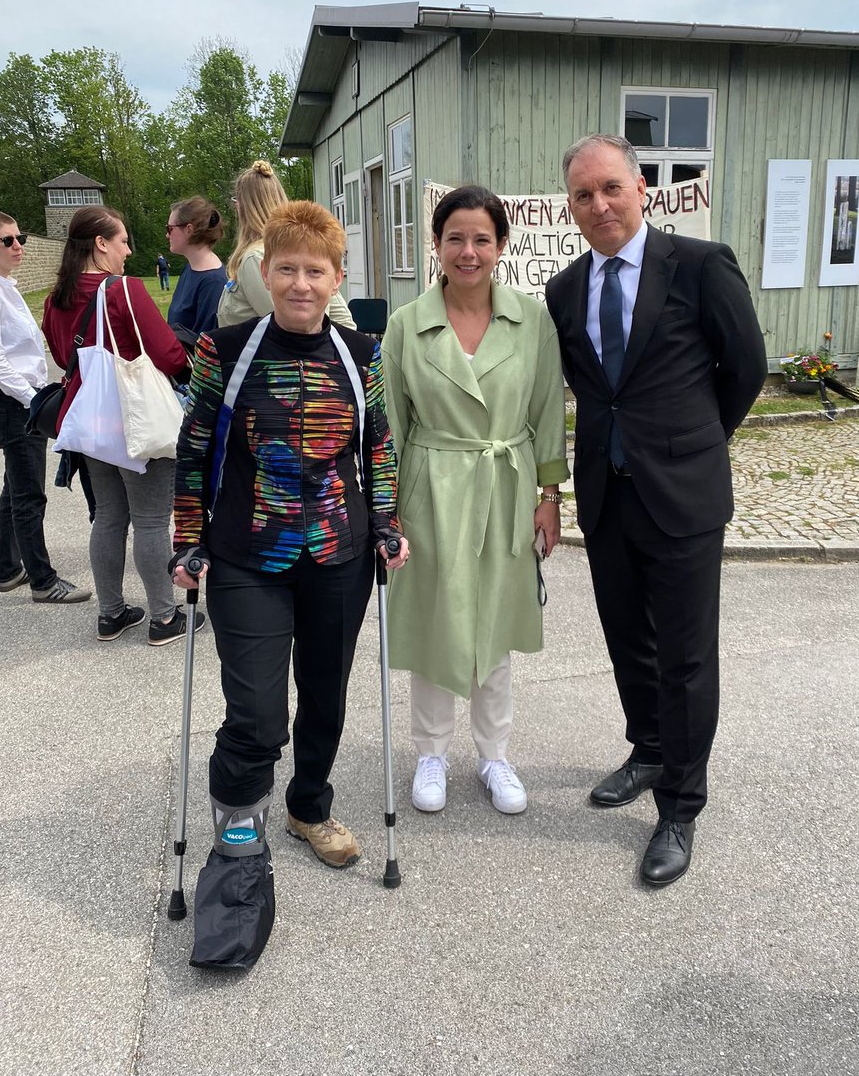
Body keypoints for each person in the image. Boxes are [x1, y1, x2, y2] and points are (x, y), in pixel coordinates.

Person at [171, 200, 407, 966]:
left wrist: (386, 525)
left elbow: (378, 445)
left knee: (327, 697)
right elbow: (195, 443)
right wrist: (186, 540)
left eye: (316, 270)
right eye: (287, 269)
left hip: (339, 555)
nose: (301, 283)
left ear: (337, 277)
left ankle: (308, 806)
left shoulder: (359, 350)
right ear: (264, 272)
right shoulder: (228, 347)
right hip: (246, 555)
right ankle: (239, 841)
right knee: (257, 710)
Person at [545, 134, 766, 886]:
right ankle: (647, 749)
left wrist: (694, 442)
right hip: (608, 495)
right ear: (570, 206)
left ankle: (680, 804)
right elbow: (588, 384)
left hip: (683, 496)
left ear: (641, 188)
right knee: (627, 642)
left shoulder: (701, 265)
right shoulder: (566, 288)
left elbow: (745, 367)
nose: (599, 204)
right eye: (583, 194)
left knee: (685, 655)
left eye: (610, 187)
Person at [382, 185, 568, 817]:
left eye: (481, 239)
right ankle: (431, 751)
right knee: (437, 619)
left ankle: (494, 753)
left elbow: (546, 408)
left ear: (501, 246)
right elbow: (393, 422)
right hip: (431, 486)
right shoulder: (407, 324)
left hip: (506, 483)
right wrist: (390, 504)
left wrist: (550, 493)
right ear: (435, 246)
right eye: (455, 238)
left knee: (494, 621)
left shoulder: (531, 318)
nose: (468, 251)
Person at [42, 206, 198, 644]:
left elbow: (60, 355)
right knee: (150, 521)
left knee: (108, 517)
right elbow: (168, 353)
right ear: (101, 243)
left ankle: (111, 613)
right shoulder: (122, 290)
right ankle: (164, 617)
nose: (129, 250)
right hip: (137, 420)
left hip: (91, 422)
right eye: (124, 241)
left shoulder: (59, 296)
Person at [0, 211, 91, 603]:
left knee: (15, 488)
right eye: (7, 241)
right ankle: (44, 582)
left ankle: (8, 569)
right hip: (14, 402)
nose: (17, 246)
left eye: (20, 238)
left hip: (20, 398)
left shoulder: (4, 286)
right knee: (29, 495)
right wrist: (33, 402)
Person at [217, 159, 356, 330]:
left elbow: (296, 330)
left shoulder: (257, 257)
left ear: (243, 205)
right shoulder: (299, 252)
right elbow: (342, 317)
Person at [166, 196, 226, 335]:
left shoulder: (214, 282)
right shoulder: (189, 268)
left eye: (170, 229)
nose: (167, 235)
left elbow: (205, 343)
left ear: (189, 229)